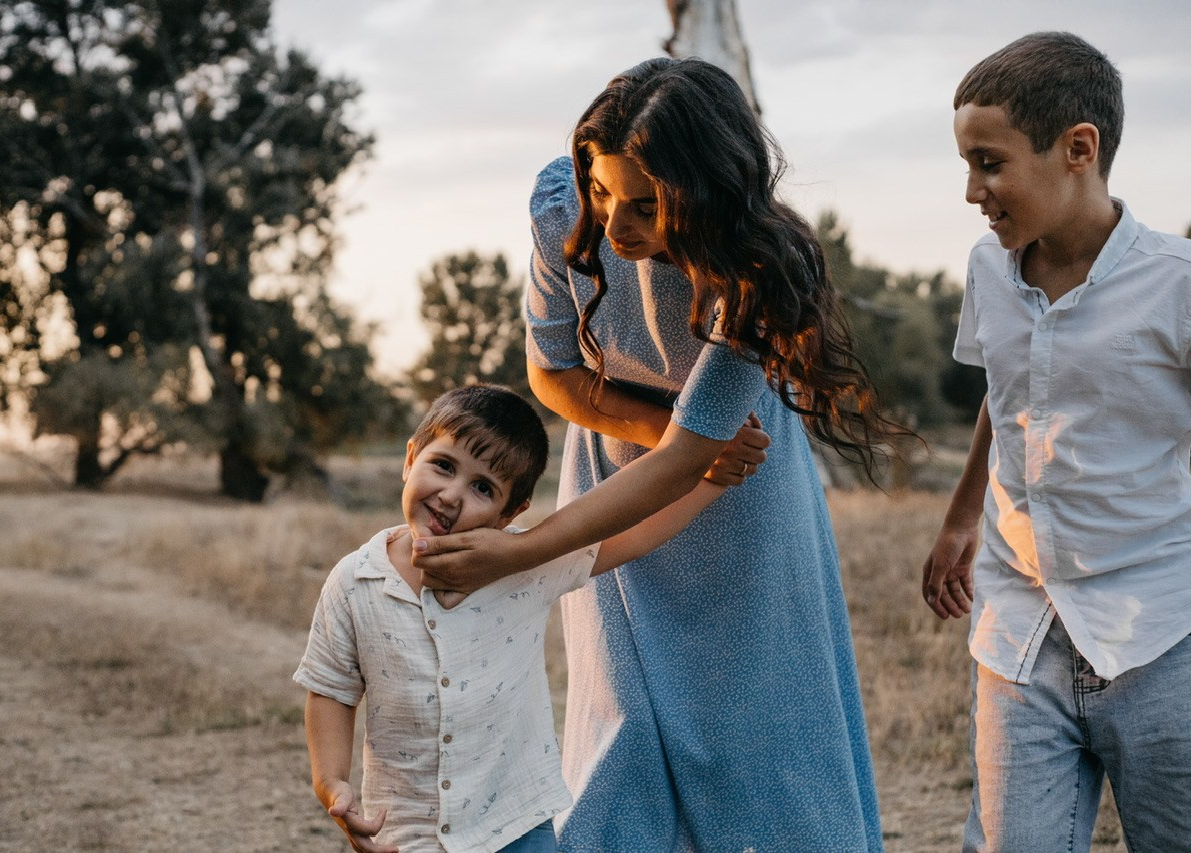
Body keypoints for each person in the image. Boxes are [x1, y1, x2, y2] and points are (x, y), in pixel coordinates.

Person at [412, 58, 907, 851]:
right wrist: (654, 434)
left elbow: (696, 457)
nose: (613, 226)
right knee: (625, 716)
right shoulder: (560, 207)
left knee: (759, 721)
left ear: (709, 190)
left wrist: (515, 555)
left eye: (645, 205)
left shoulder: (761, 268)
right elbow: (554, 373)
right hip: (616, 465)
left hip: (741, 484)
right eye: (603, 192)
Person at [921, 31, 1191, 851]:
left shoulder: (1174, 284)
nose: (972, 189)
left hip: (1160, 629)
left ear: (1079, 149)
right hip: (1021, 625)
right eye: (966, 165)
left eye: (990, 163)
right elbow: (1004, 395)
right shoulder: (987, 268)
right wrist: (961, 519)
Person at [294, 384, 765, 853]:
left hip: (516, 826)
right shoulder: (355, 581)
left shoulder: (525, 563)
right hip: (403, 833)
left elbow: (634, 536)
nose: (451, 495)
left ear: (509, 513)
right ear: (410, 458)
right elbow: (333, 690)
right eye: (443, 466)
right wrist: (332, 783)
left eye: (483, 488)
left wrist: (712, 480)